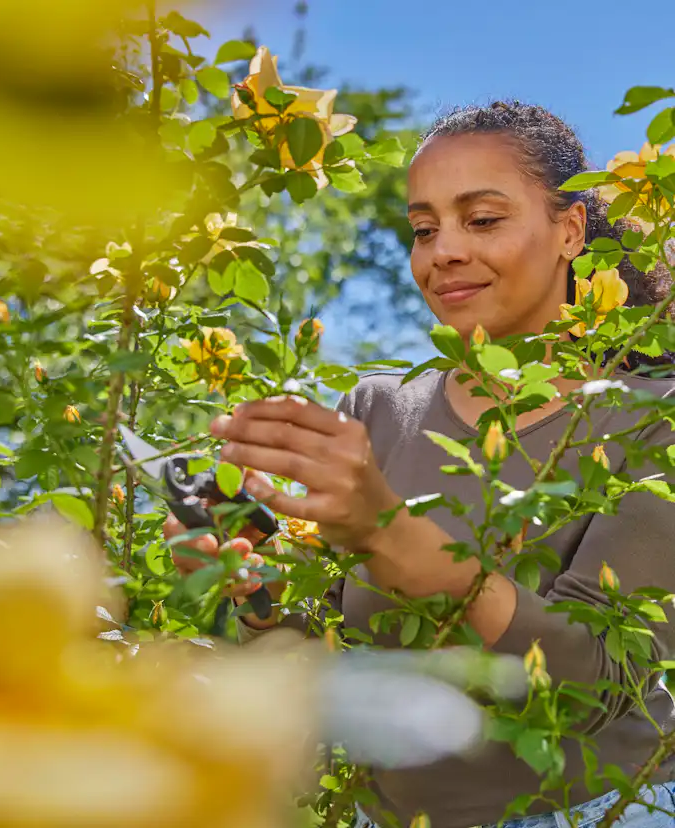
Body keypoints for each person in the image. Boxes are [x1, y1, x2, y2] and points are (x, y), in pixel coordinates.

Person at [163, 102, 675, 828]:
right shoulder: (375, 408)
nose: (444, 253)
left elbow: (599, 679)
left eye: (483, 219)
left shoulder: (655, 415)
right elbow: (334, 664)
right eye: (425, 229)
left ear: (569, 231)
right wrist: (254, 584)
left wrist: (391, 533)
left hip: (595, 812)